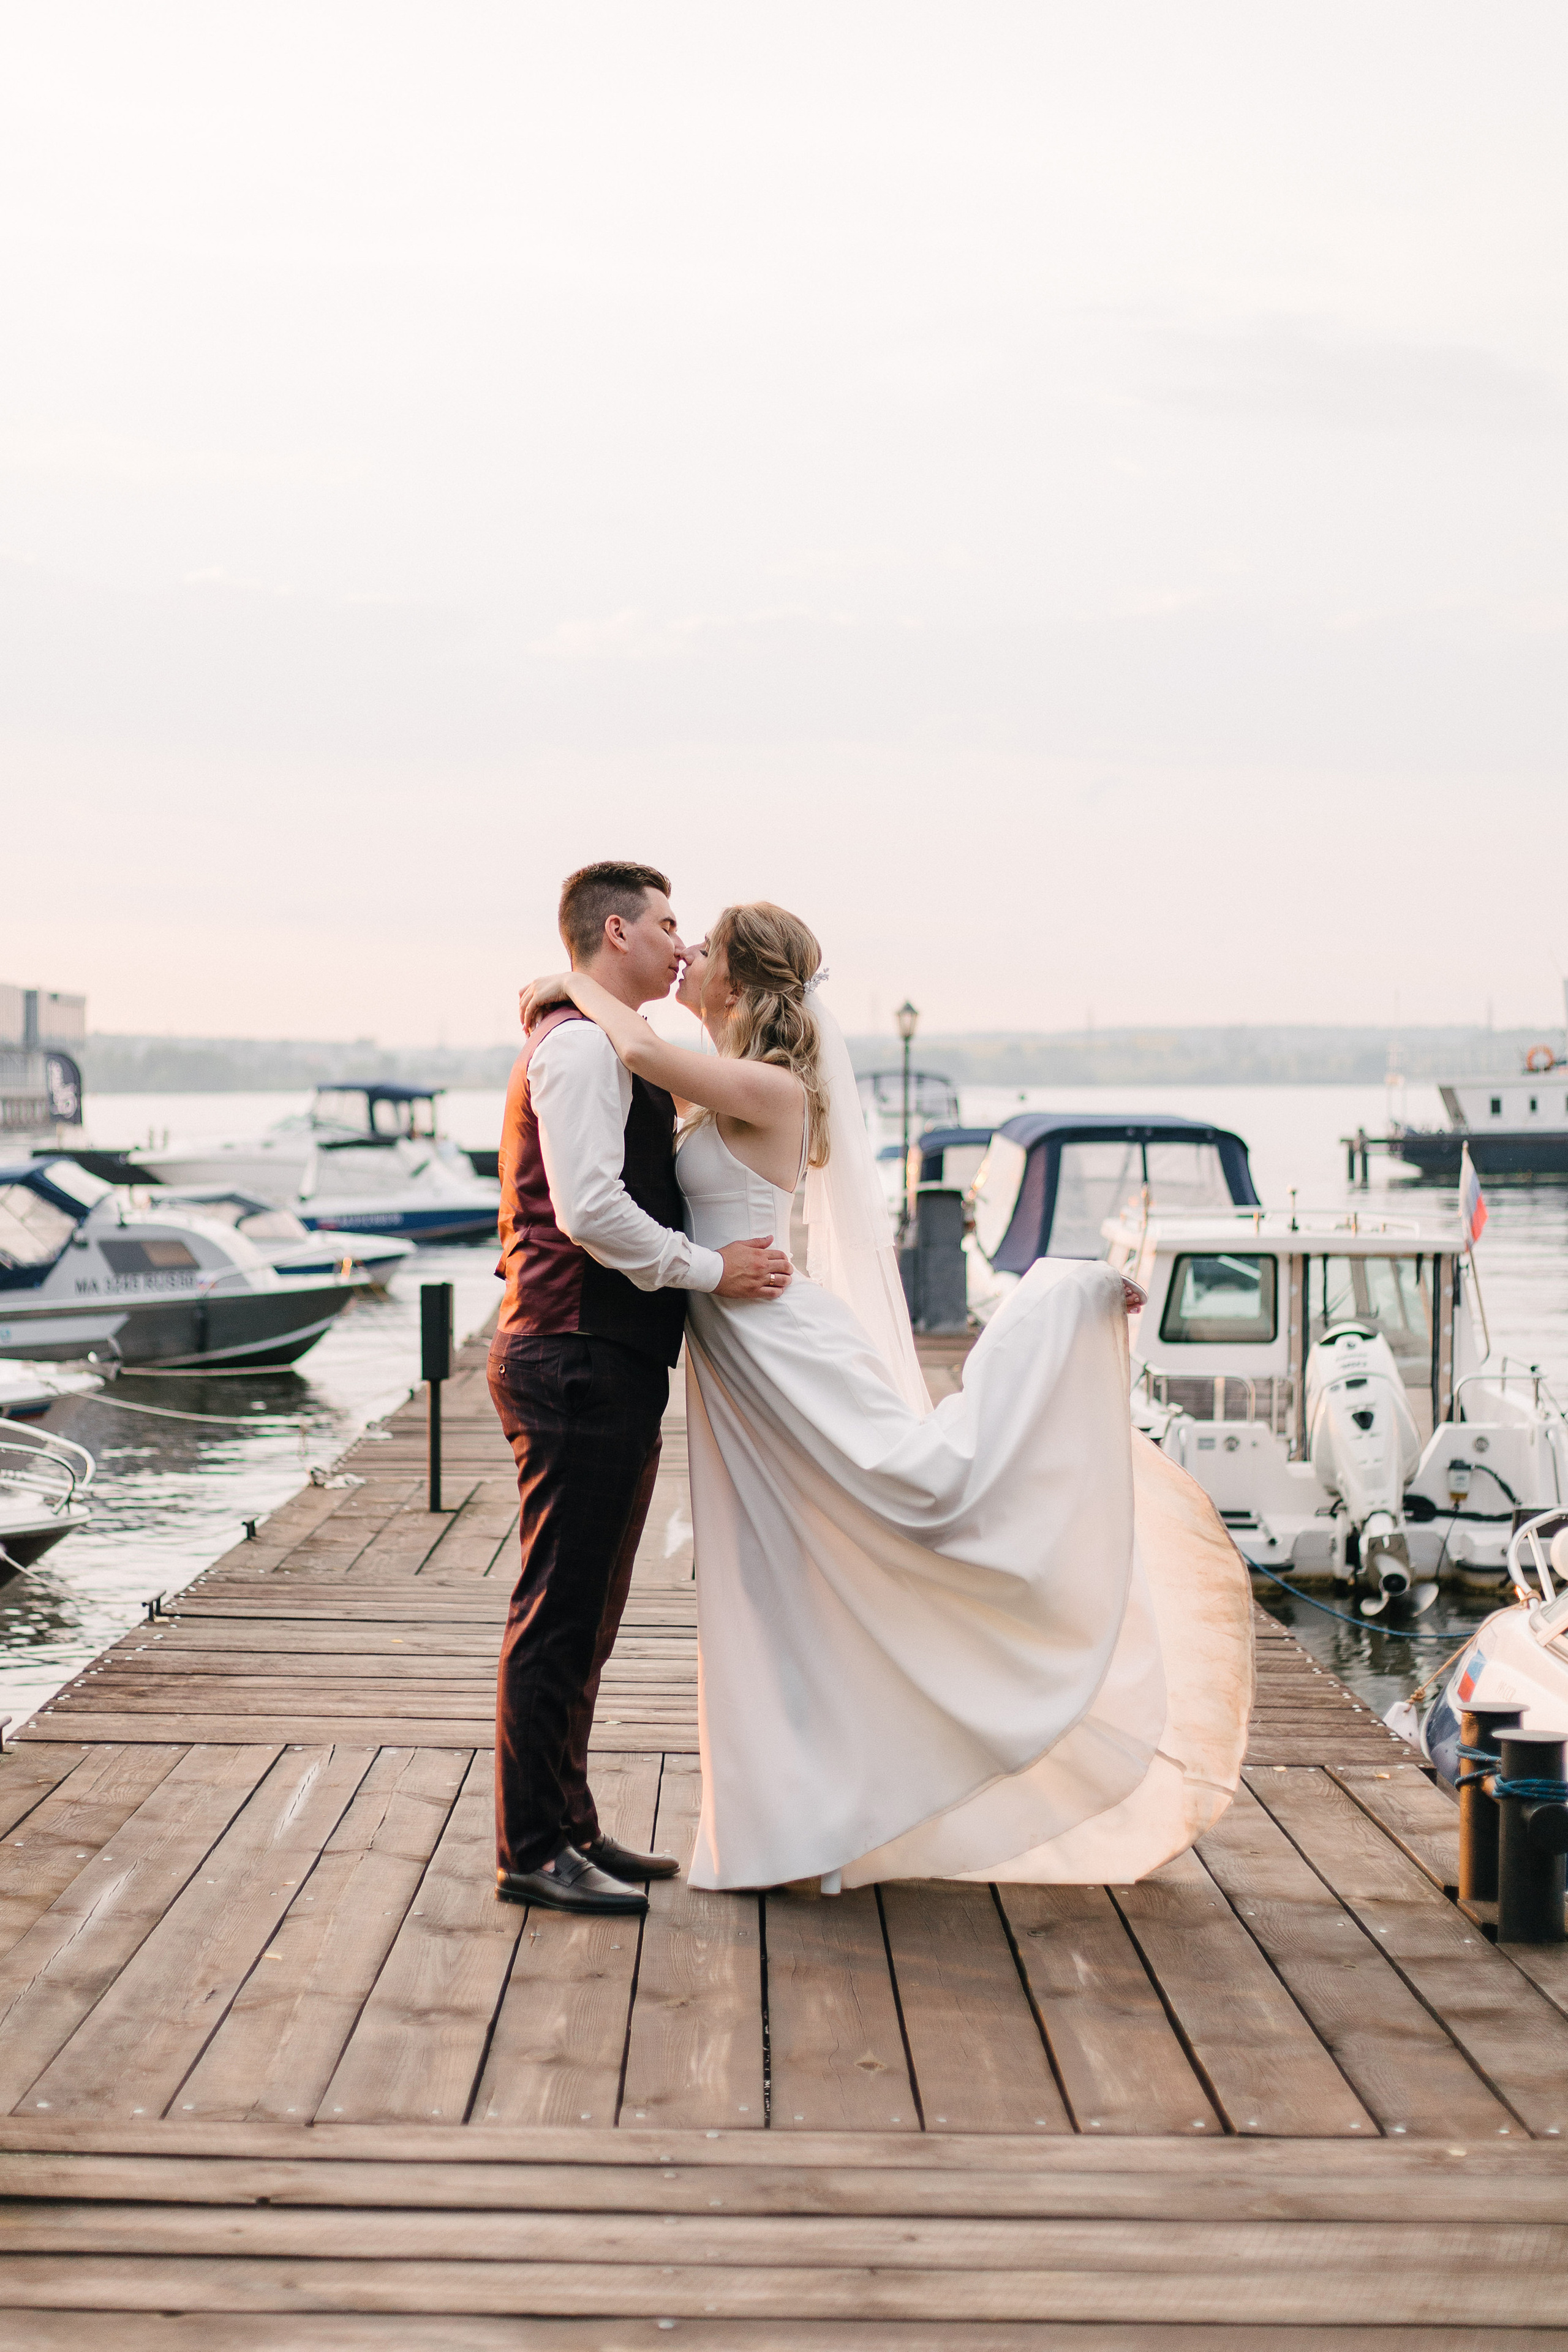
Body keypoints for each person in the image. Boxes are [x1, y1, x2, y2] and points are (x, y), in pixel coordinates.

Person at [520, 900, 1253, 1894]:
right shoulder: (730, 1071)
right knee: (781, 1581)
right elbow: (650, 1064)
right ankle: (795, 1814)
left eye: (706, 947)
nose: (686, 951)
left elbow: (642, 1052)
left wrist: (570, 987)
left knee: (913, 1493)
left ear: (740, 981)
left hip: (774, 1338)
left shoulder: (766, 1086)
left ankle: (1063, 1300)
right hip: (739, 1344)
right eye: (673, 933)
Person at [490, 861, 794, 1920]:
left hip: (604, 1355)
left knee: (592, 1607)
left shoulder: (607, 1037)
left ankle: (569, 1824)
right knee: (560, 1608)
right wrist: (713, 1271)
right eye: (667, 924)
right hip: (573, 1351)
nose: (681, 942)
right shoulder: (578, 1046)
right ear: (616, 931)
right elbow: (590, 1213)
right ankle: (532, 1846)